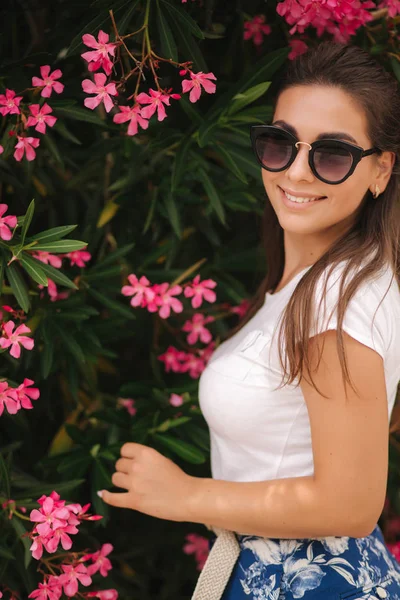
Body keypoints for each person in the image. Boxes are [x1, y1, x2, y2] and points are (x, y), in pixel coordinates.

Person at [99, 42, 400, 599]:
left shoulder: (335, 301)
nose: (298, 172)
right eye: (281, 143)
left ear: (381, 169)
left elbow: (350, 505)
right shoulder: (329, 280)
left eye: (333, 154)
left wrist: (184, 494)